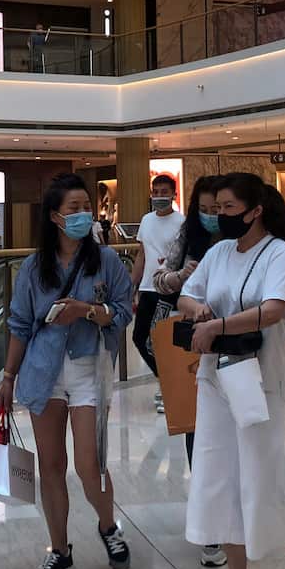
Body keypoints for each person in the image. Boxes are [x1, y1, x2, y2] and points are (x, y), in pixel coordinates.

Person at [177, 172, 285, 569]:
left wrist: (216, 326)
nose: (220, 218)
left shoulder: (280, 253)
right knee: (220, 481)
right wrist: (197, 310)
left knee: (261, 479)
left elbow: (275, 310)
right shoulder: (217, 253)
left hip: (261, 384)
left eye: (229, 209)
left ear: (256, 210)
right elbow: (185, 296)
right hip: (216, 383)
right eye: (216, 210)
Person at [0, 173, 134, 569]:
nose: (82, 215)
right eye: (73, 209)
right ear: (55, 217)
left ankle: (108, 527)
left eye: (85, 207)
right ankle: (59, 550)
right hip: (43, 374)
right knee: (52, 466)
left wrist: (87, 311)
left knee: (89, 465)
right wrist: (8, 377)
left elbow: (123, 311)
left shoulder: (106, 261)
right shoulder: (33, 267)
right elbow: (20, 325)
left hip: (88, 368)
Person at [151, 174, 226, 569]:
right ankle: (212, 528)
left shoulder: (245, 246)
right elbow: (159, 280)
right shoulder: (187, 236)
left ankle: (239, 518)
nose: (215, 216)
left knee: (235, 437)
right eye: (208, 209)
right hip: (191, 350)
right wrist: (181, 278)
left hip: (237, 349)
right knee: (198, 435)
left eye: (223, 209)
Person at [129, 174, 184, 407]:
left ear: (173, 194)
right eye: (156, 192)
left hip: (169, 288)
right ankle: (166, 379)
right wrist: (132, 284)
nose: (159, 196)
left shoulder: (182, 222)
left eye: (164, 192)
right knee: (139, 337)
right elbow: (142, 254)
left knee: (161, 339)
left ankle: (170, 386)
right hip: (147, 288)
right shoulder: (146, 220)